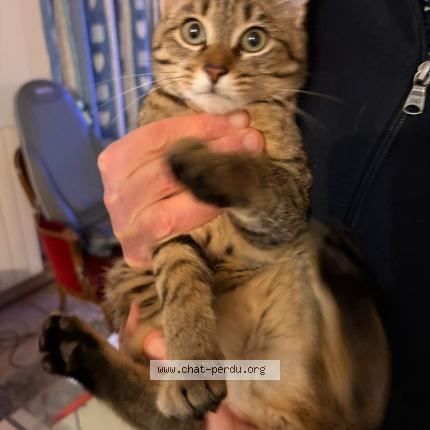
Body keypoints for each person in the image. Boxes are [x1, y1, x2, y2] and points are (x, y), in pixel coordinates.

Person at [99, 1, 430, 428]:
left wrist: (241, 180)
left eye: (251, 40)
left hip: (332, 374)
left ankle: (119, 379)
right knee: (176, 367)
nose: (216, 65)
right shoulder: (163, 107)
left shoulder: (275, 114)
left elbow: (283, 221)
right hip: (236, 356)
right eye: (194, 34)